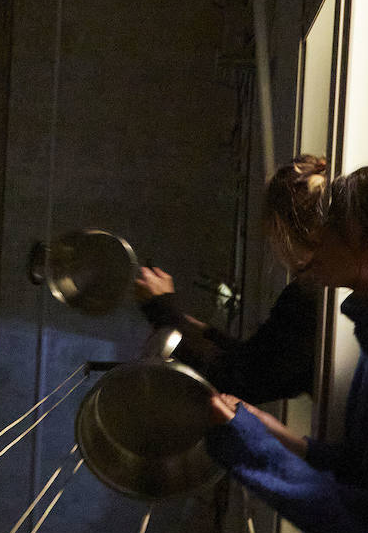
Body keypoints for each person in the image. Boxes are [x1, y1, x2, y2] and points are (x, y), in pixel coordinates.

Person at [205, 163, 368, 533]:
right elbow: (364, 471)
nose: (318, 239)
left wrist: (256, 450)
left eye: (336, 228)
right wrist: (289, 441)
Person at [134, 155, 326, 403]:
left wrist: (163, 312)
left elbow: (240, 379)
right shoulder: (318, 290)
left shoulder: (309, 294)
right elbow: (256, 359)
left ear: (280, 228)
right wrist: (193, 327)